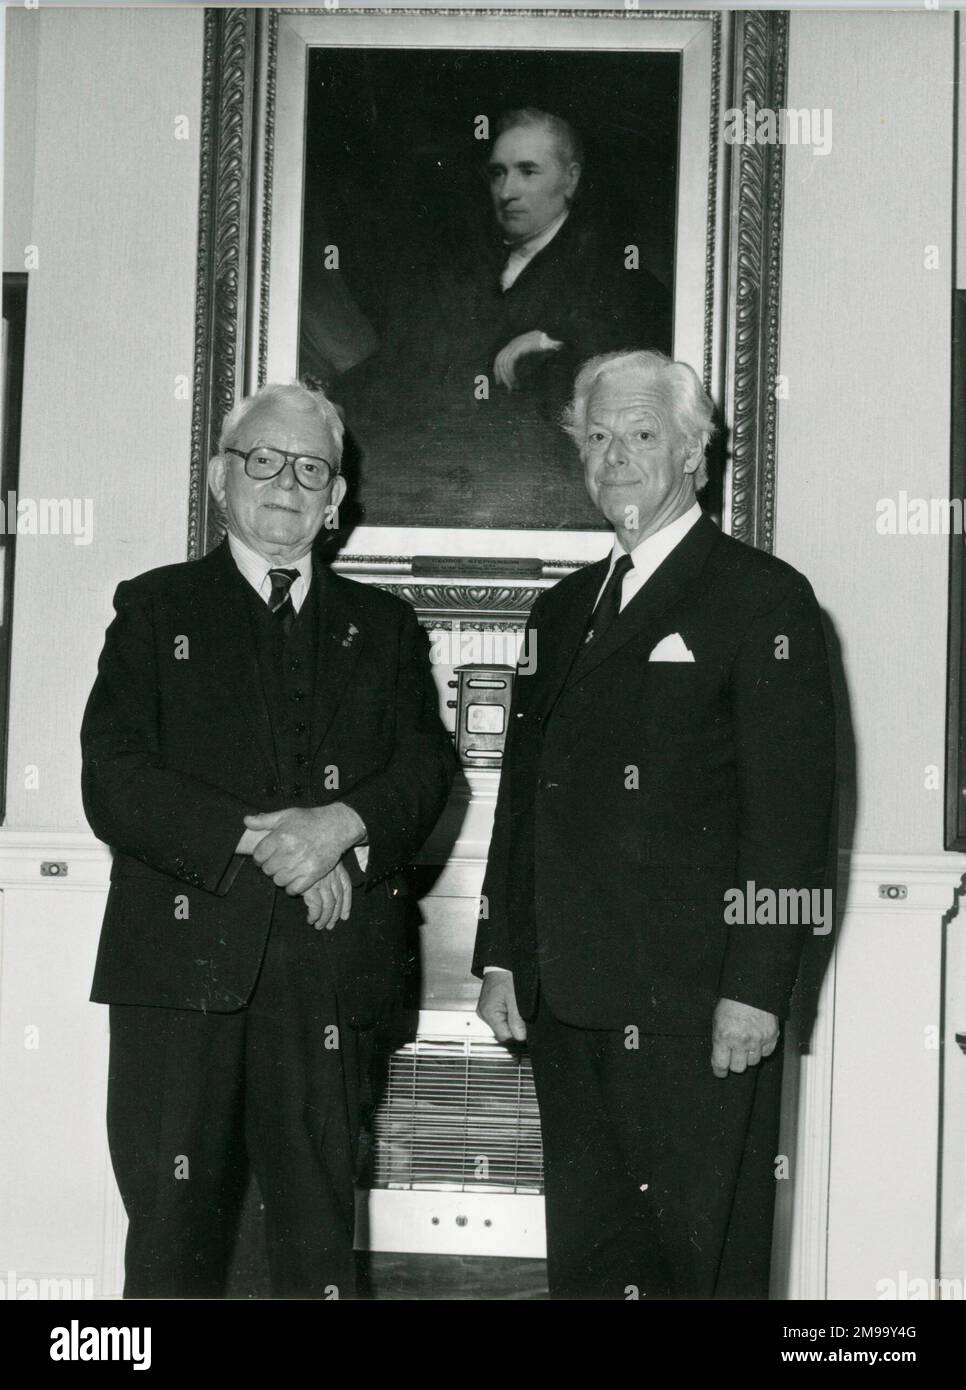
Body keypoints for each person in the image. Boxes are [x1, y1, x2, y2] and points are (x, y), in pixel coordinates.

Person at [473, 349, 837, 1300]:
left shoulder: (765, 599)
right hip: (569, 1002)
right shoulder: (559, 612)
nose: (617, 456)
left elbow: (792, 821)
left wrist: (758, 990)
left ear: (693, 456)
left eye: (642, 435)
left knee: (696, 1269)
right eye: (599, 437)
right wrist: (505, 952)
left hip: (699, 1012)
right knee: (591, 1264)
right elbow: (525, 801)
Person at [81, 381, 456, 1299]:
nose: (285, 482)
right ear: (220, 477)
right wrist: (275, 845)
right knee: (172, 1244)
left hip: (331, 979)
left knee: (312, 1243)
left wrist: (342, 827)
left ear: (336, 503)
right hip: (182, 978)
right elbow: (114, 779)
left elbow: (425, 774)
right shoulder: (155, 609)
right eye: (262, 460)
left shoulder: (389, 628)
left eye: (310, 469)